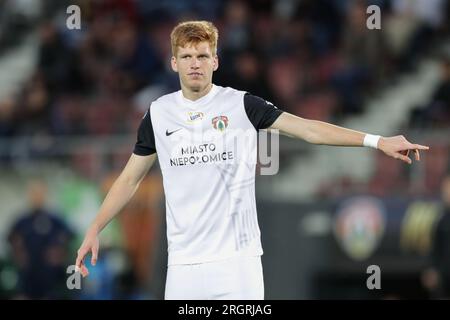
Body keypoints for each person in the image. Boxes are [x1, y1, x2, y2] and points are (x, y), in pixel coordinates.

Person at [75, 20, 429, 300]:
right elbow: (129, 180)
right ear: (174, 62)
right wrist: (94, 229)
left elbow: (308, 130)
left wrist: (376, 140)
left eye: (201, 56)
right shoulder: (158, 114)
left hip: (237, 263)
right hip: (183, 265)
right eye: (186, 56)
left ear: (215, 60)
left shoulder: (242, 105)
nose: (194, 64)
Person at [8, 180, 74, 299]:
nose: (37, 197)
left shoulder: (55, 220)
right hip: (28, 275)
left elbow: (69, 235)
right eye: (34, 194)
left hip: (50, 277)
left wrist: (59, 252)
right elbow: (11, 238)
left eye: (40, 194)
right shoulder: (22, 221)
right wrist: (18, 253)